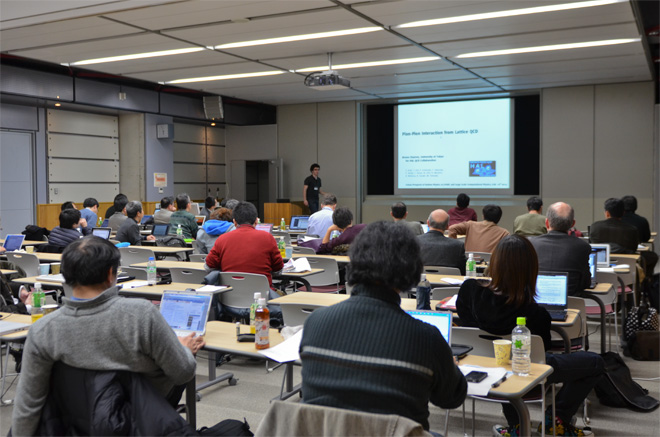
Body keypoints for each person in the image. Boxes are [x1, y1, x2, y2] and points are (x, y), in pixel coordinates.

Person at [11, 237, 205, 436]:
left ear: (65, 275)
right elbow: (183, 372)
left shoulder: (43, 330)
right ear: (110, 273)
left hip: (73, 425)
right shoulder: (141, 315)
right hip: (141, 421)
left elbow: (28, 404)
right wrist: (184, 349)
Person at [300, 221, 467, 432]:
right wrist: (448, 364)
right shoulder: (426, 338)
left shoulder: (315, 322)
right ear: (412, 269)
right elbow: (451, 397)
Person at [456, 235, 604, 437]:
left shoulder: (468, 291)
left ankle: (516, 427)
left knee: (503, 358)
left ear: (494, 262)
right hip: (522, 373)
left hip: (482, 369)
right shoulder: (536, 314)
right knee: (595, 363)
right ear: (531, 269)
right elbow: (541, 357)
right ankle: (556, 419)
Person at [205, 201, 283, 322]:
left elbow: (208, 267)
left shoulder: (222, 239)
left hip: (228, 301)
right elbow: (278, 270)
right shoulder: (268, 238)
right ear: (256, 221)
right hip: (262, 302)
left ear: (234, 222)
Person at [529, 202, 592, 296]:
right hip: (572, 303)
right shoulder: (582, 247)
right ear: (572, 224)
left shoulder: (530, 244)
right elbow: (586, 283)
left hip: (534, 301)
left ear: (547, 223)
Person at [418, 209, 466, 274]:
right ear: (447, 227)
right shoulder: (458, 246)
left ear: (428, 223)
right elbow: (463, 272)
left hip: (420, 280)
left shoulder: (414, 241)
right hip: (448, 280)